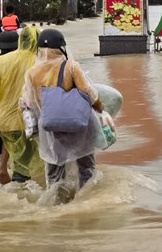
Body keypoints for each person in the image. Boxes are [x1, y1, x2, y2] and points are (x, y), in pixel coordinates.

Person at [20, 28, 103, 200]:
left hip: (50, 129)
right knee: (86, 168)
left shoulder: (32, 73)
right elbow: (88, 92)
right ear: (62, 47)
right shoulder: (71, 66)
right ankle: (85, 203)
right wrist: (101, 109)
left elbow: (29, 103)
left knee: (54, 173)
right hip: (78, 126)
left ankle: (55, 205)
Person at [0, 25, 44, 185]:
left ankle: (3, 169)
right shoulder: (40, 62)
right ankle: (19, 193)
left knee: (14, 146)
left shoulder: (1, 61)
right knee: (24, 164)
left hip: (4, 119)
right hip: (28, 120)